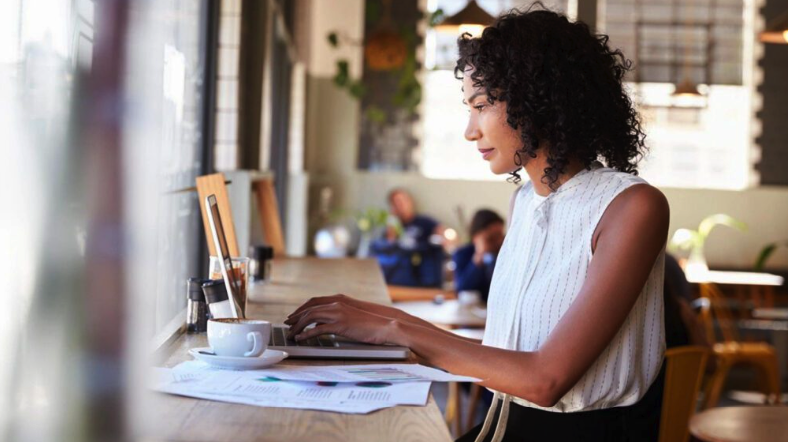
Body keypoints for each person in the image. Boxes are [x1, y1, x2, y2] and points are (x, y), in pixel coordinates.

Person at [285, 5, 668, 441]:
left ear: (540, 99)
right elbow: (503, 357)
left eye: (482, 105)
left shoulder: (632, 207)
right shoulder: (525, 200)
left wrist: (395, 327)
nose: (470, 130)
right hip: (501, 429)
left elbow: (544, 380)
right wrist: (372, 316)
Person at [370, 188, 445, 287]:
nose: (400, 205)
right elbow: (389, 246)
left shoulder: (425, 222)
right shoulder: (394, 225)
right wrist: (391, 223)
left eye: (402, 201)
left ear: (410, 201)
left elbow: (443, 235)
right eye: (396, 203)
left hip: (424, 269)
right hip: (402, 272)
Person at [453, 209, 505, 302]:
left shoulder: (505, 253)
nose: (500, 241)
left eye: (501, 235)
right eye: (493, 237)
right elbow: (462, 288)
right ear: (476, 237)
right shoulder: (463, 254)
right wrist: (480, 255)